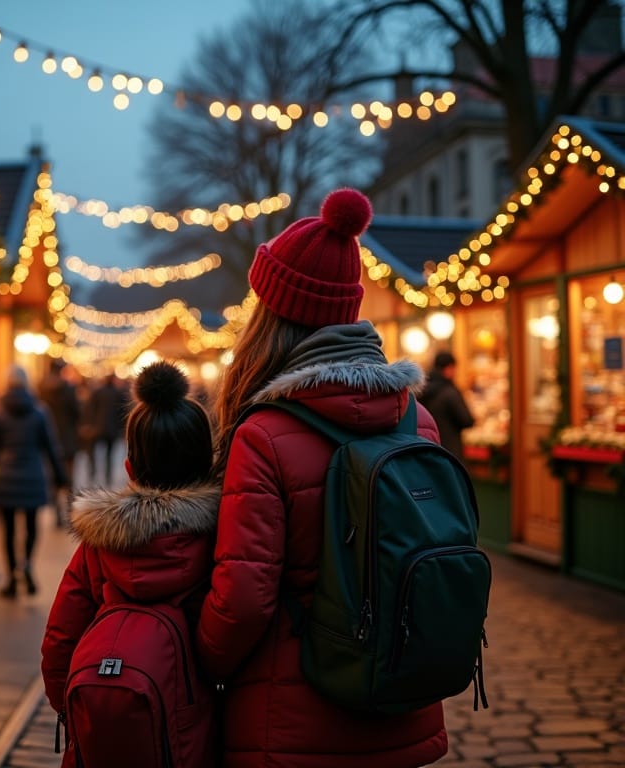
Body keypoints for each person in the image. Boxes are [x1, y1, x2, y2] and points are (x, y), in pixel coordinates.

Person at [196, 188, 448, 767]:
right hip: (400, 699)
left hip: (293, 716)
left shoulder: (263, 434)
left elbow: (243, 598)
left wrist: (200, 660)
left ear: (274, 315)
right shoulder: (417, 418)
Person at [40, 361, 220, 768]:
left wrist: (83, 715)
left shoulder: (99, 543)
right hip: (195, 735)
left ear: (130, 465)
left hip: (107, 736)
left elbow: (59, 641)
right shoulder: (222, 540)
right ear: (207, 462)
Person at [0, 364, 69, 598]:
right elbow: (51, 446)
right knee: (32, 526)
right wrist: (61, 477)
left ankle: (11, 577)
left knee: (8, 530)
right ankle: (28, 568)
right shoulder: (39, 411)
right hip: (33, 474)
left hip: (7, 476)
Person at [38, 358, 81, 527]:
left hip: (50, 438)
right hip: (68, 438)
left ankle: (57, 514)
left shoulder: (41, 388)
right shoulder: (69, 389)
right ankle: (69, 511)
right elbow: (77, 413)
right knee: (69, 477)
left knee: (53, 477)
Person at [419, 350, 476, 462]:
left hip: (428, 449)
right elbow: (466, 420)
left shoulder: (422, 390)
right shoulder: (449, 392)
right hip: (450, 450)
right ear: (449, 368)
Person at [84, 373, 129, 485]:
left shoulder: (97, 392)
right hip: (112, 430)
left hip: (97, 428)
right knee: (109, 455)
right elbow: (122, 413)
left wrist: (90, 424)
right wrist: (121, 428)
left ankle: (92, 474)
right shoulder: (118, 393)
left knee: (93, 452)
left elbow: (90, 410)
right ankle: (107, 476)